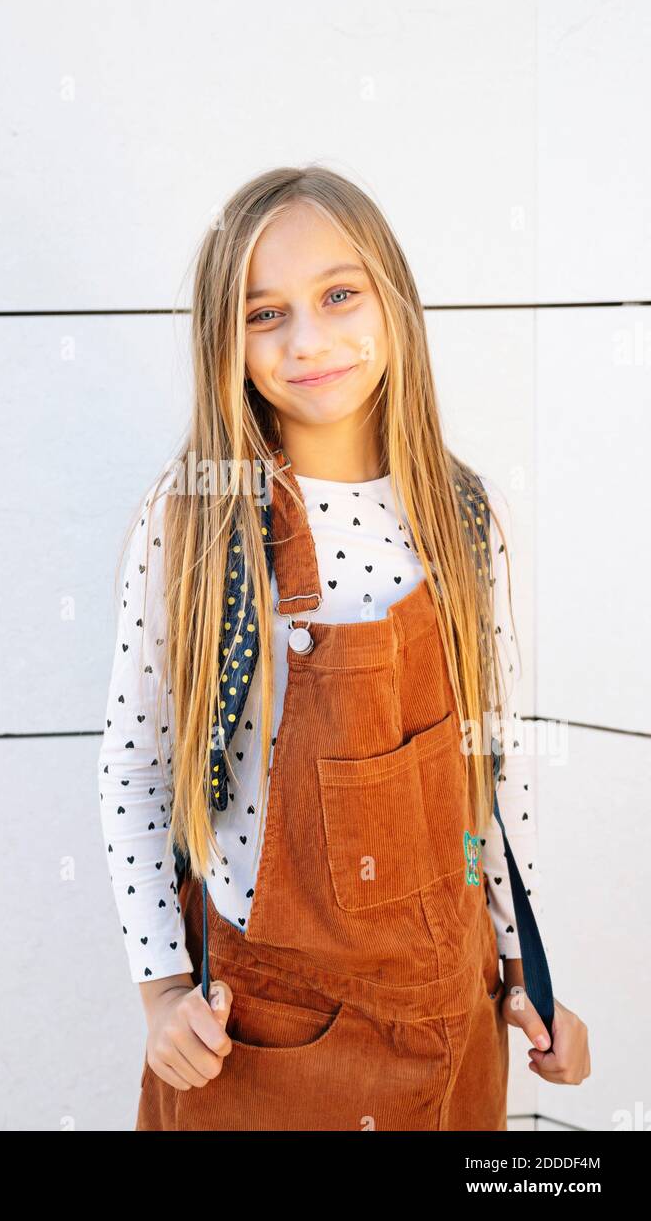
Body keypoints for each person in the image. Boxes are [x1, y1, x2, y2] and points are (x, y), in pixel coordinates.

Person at [97, 165, 590, 1131]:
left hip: (449, 1014)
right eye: (264, 313)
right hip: (262, 1034)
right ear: (225, 342)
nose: (309, 339)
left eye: (336, 295)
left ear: (392, 299)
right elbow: (136, 763)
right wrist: (160, 992)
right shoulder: (199, 513)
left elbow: (491, 763)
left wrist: (527, 963)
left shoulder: (463, 512)